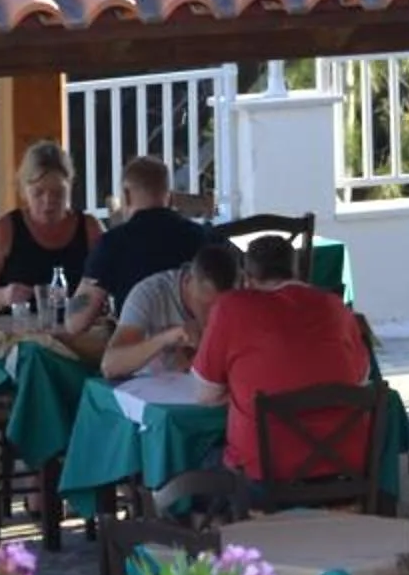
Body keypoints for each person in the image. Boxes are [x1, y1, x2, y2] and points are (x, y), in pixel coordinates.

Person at [191, 235, 371, 484]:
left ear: (247, 278)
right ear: (296, 271)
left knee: (192, 463)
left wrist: (239, 388)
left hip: (263, 476)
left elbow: (205, 395)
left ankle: (210, 522)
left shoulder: (231, 308)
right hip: (342, 472)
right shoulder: (335, 307)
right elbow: (360, 382)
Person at [69, 157, 209, 329]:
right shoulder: (204, 238)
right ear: (170, 198)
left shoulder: (112, 244)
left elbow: (75, 322)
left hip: (137, 348)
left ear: (126, 196)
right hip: (199, 347)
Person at [0, 141, 102, 316]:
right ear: (24, 191)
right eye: (38, 193)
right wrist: (3, 295)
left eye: (58, 193)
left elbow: (112, 281)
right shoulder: (5, 231)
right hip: (17, 333)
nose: (48, 201)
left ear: (70, 188)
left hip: (78, 331)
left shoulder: (89, 228)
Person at [103, 241, 241, 380]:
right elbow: (110, 366)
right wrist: (166, 338)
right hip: (150, 389)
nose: (212, 313)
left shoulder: (241, 300)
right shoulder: (150, 294)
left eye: (220, 307)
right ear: (188, 280)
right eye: (205, 305)